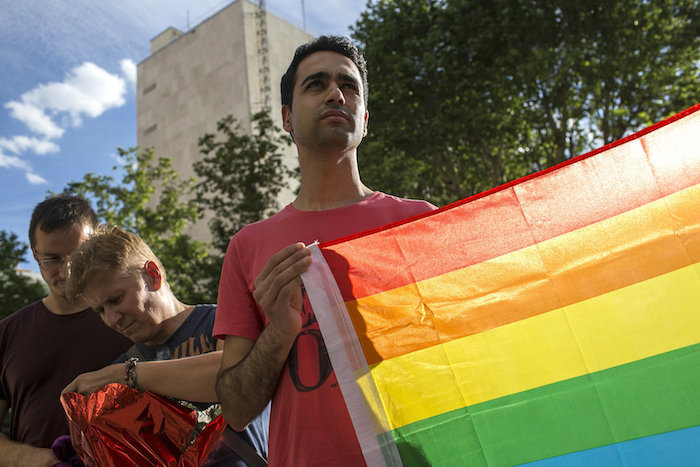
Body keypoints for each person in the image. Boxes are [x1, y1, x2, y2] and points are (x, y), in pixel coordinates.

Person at [214, 35, 437, 466]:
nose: (336, 93)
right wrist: (278, 332)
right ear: (287, 118)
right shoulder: (248, 247)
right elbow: (237, 410)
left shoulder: (422, 223)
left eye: (349, 86)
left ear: (366, 119)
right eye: (315, 84)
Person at [62, 224, 269, 466]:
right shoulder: (117, 371)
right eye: (100, 310)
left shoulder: (221, 322)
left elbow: (234, 377)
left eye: (116, 299)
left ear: (153, 275)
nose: (112, 319)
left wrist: (128, 375)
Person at [0, 195, 132, 466]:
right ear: (35, 254)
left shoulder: (131, 321)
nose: (67, 270)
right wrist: (36, 459)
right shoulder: (6, 333)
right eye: (52, 259)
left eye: (78, 255)